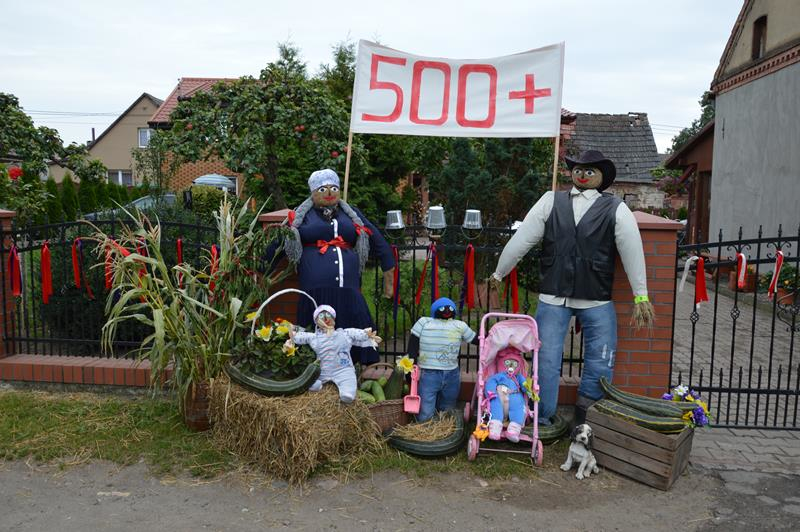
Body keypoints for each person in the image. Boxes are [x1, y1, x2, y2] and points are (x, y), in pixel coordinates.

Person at [491, 150, 654, 426]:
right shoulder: (550, 201)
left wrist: (641, 295)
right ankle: (542, 416)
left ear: (601, 176)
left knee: (601, 360)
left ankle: (587, 418)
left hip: (597, 295)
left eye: (590, 171)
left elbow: (632, 251)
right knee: (546, 358)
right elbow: (522, 239)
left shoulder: (616, 208)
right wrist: (499, 273)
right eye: (579, 169)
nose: (583, 174)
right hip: (554, 294)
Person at [268, 169, 396, 365]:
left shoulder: (352, 215)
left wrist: (388, 270)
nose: (329, 192)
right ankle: (313, 373)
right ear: (313, 192)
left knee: (354, 332)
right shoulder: (301, 216)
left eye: (333, 188)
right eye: (322, 188)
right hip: (315, 292)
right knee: (315, 336)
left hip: (349, 290)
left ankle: (354, 372)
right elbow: (280, 242)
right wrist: (260, 269)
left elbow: (375, 238)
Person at [285, 305, 381, 403]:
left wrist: (365, 334)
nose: (326, 318)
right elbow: (302, 337)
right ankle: (317, 384)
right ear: (317, 321)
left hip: (343, 369)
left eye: (328, 315)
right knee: (313, 384)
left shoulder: (344, 334)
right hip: (322, 371)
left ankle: (347, 393)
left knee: (348, 380)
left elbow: (356, 333)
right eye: (321, 316)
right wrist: (293, 335)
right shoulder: (315, 338)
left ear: (333, 317)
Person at [408, 297, 478, 422]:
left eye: (450, 308)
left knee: (449, 404)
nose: (446, 310)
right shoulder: (424, 322)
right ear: (435, 310)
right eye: (442, 308)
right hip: (429, 373)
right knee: (426, 408)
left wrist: (493, 338)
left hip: (452, 373)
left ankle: (445, 427)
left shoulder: (460, 325)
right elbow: (412, 345)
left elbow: (475, 339)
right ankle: (425, 427)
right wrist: (409, 365)